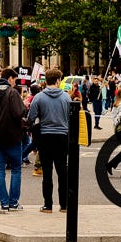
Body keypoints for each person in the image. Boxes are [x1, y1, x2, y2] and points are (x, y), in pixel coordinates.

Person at [27, 68, 71, 213]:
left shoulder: (39, 97)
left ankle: (48, 205)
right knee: (62, 172)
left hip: (45, 136)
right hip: (62, 136)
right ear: (58, 81)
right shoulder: (66, 97)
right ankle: (64, 205)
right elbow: (72, 118)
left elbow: (31, 117)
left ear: (46, 81)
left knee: (47, 173)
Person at [0, 68, 26, 211]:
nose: (15, 83)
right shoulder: (12, 93)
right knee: (16, 169)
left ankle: (4, 202)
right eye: (15, 80)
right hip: (12, 135)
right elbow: (19, 112)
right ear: (10, 79)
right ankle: (13, 202)